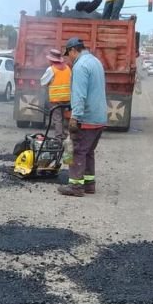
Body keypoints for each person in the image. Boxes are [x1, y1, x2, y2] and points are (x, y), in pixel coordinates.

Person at [59, 37, 106, 197]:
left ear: (73, 50)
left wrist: (75, 117)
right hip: (99, 116)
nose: (69, 58)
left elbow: (79, 94)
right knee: (88, 151)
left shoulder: (80, 66)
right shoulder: (95, 62)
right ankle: (89, 184)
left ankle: (76, 187)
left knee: (77, 150)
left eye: (69, 54)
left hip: (86, 118)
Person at [39, 48, 71, 138]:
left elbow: (43, 82)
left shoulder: (51, 69)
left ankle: (59, 136)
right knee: (63, 117)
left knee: (57, 118)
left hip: (56, 99)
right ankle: (64, 134)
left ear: (51, 60)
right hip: (66, 98)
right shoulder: (67, 68)